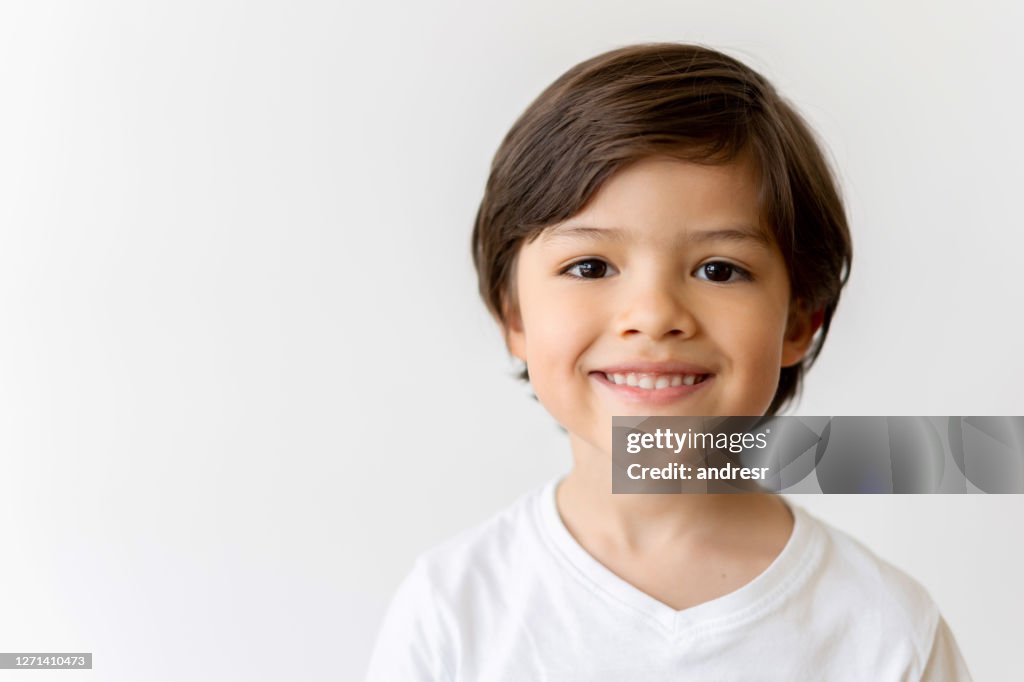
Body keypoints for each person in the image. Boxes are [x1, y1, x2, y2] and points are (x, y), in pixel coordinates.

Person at [364, 42, 972, 680]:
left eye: (719, 269)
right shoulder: (452, 615)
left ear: (799, 322)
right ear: (514, 316)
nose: (654, 315)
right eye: (590, 266)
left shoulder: (886, 633)